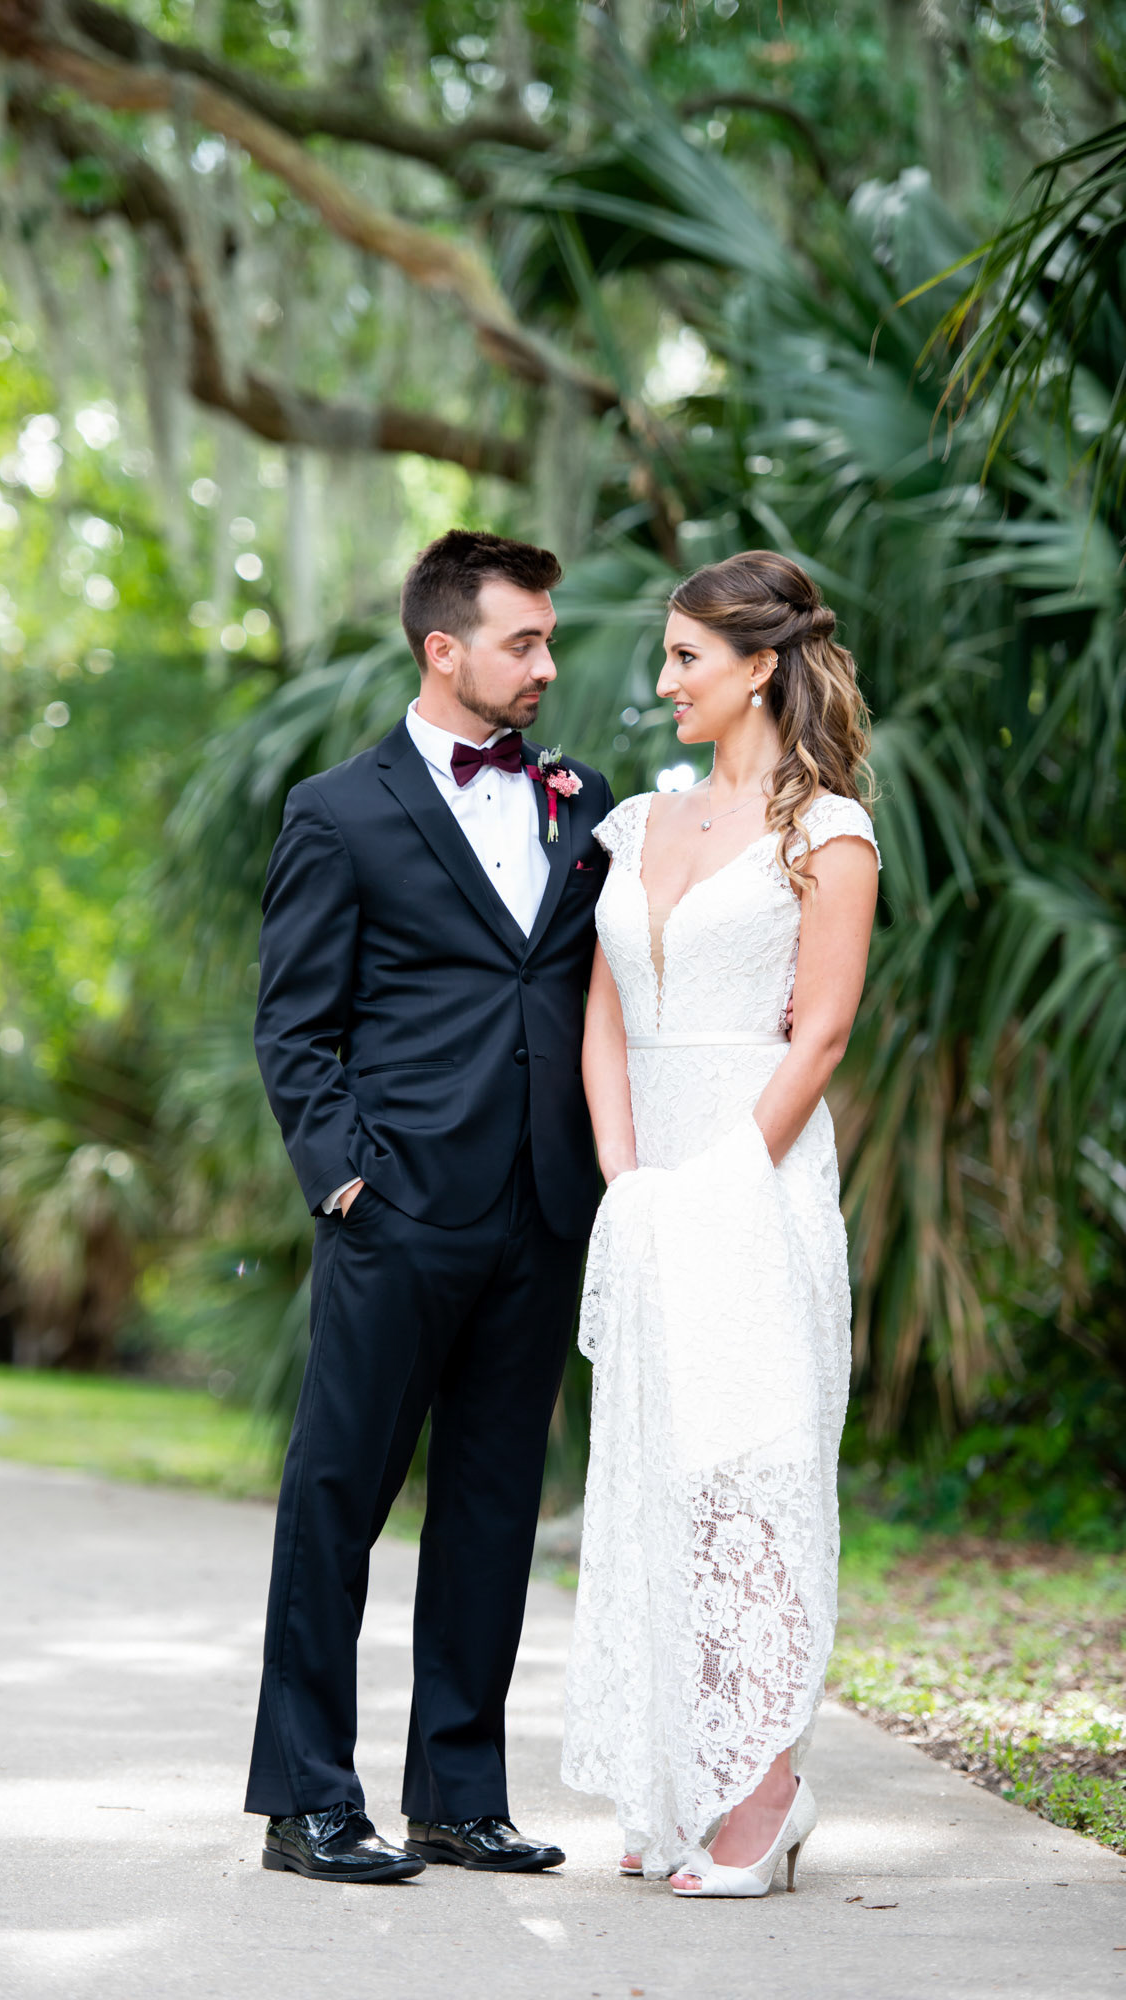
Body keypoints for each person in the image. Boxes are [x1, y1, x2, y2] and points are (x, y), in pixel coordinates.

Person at [247, 529, 613, 1882]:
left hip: (538, 1206)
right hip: (396, 1209)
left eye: (549, 638)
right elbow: (294, 1025)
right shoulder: (337, 812)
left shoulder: (584, 803)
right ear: (442, 647)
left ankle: (458, 1795)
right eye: (524, 640)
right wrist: (346, 1176)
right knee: (335, 1498)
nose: (547, 664)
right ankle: (307, 1803)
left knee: (492, 1507)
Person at [561, 549, 880, 1897]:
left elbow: (821, 1036)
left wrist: (716, 1190)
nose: (665, 679)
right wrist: (631, 1190)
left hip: (757, 1188)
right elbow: (601, 1027)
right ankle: (678, 1781)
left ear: (759, 664)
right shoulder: (638, 824)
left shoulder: (833, 832)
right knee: (658, 1486)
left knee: (753, 1486)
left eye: (687, 655)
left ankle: (765, 1800)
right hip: (649, 1195)